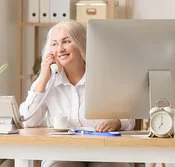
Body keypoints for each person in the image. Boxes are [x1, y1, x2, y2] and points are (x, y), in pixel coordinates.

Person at [19, 20, 135, 167]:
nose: (60, 49)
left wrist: (117, 122)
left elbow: (130, 119)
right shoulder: (48, 81)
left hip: (105, 151)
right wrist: (43, 77)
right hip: (62, 153)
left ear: (81, 44)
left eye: (66, 42)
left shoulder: (105, 76)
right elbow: (27, 121)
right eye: (54, 44)